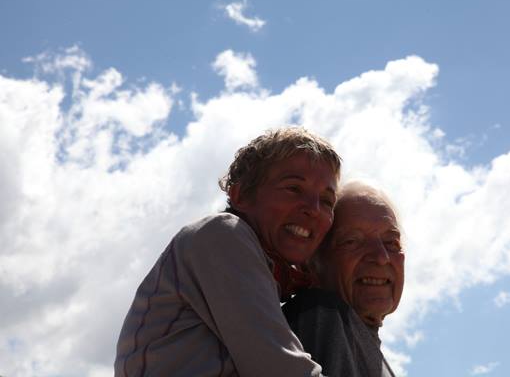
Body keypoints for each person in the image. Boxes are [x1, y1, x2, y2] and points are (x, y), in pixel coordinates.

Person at [115, 127, 340, 377]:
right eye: (293, 189)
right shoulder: (222, 234)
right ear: (241, 194)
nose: (314, 209)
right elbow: (281, 368)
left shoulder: (272, 275)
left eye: (327, 202)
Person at [283, 181, 404, 377]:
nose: (382, 257)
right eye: (352, 241)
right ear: (311, 265)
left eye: (391, 242)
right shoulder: (321, 313)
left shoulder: (364, 344)